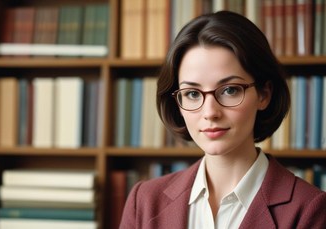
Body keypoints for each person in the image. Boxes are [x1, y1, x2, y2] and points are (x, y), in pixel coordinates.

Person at [119, 11, 326, 229]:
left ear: (264, 94)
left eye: (229, 90)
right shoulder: (143, 201)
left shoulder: (310, 209)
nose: (210, 112)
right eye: (192, 93)